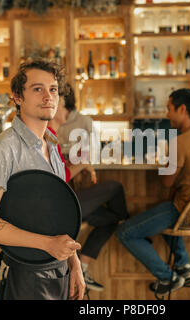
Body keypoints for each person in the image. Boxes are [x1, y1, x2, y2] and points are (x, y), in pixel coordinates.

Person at [0, 59, 85, 300]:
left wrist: (74, 264)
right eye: (37, 89)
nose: (48, 96)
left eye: (53, 89)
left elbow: (58, 214)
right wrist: (48, 245)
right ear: (17, 97)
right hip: (24, 275)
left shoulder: (52, 145)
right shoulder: (3, 149)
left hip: (58, 269)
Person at [116, 88, 190, 297]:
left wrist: (167, 158)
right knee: (162, 211)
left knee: (125, 232)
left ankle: (168, 277)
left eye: (169, 109)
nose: (167, 114)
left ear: (182, 109)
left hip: (185, 211)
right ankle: (183, 265)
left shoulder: (179, 142)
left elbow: (166, 181)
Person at [48, 84, 129, 292]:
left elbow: (61, 170)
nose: (66, 114)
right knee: (115, 187)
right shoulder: (47, 134)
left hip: (65, 201)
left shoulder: (53, 133)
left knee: (111, 221)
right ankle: (128, 227)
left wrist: (82, 163)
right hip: (61, 207)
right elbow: (60, 175)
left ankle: (82, 267)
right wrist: (83, 163)